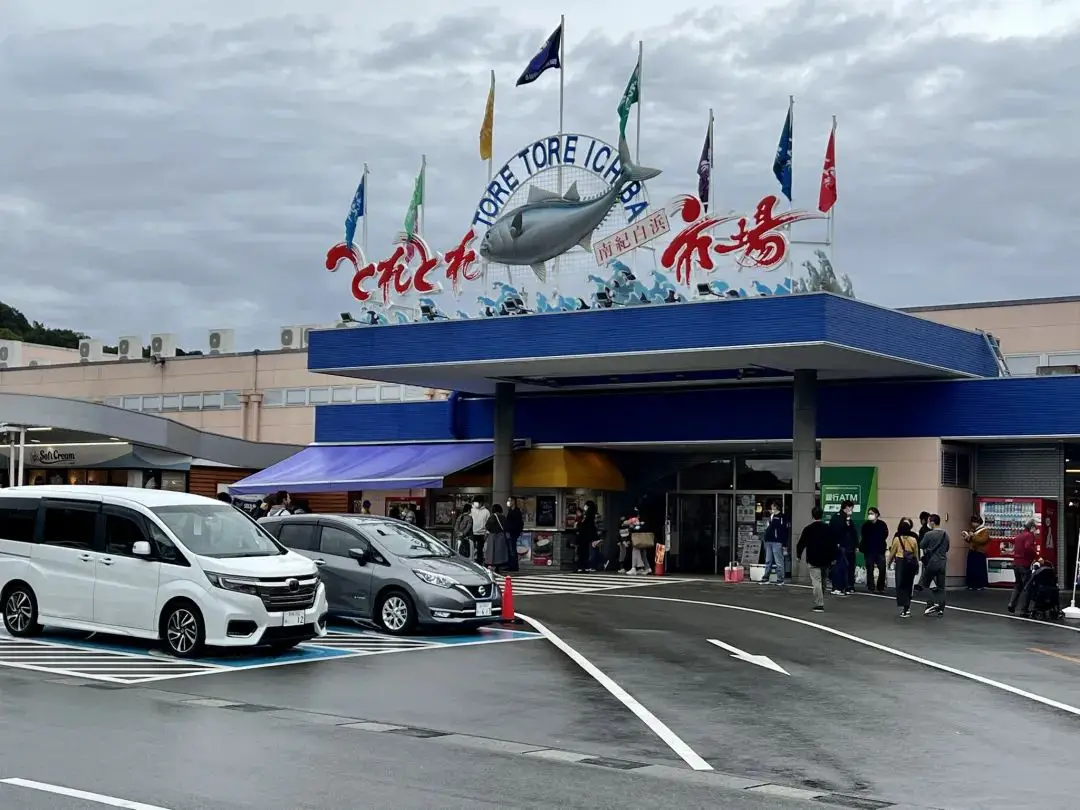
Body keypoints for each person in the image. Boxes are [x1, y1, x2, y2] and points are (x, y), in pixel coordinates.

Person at [796, 507, 834, 612]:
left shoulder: (808, 529)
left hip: (812, 558)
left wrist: (798, 555)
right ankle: (820, 597)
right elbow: (833, 545)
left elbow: (801, 544)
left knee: (816, 581)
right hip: (826, 559)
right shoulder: (828, 528)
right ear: (822, 515)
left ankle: (819, 603)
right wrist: (833, 558)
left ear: (812, 515)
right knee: (823, 580)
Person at [888, 517, 921, 618]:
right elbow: (916, 554)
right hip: (911, 563)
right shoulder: (914, 539)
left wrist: (888, 563)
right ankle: (908, 607)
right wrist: (917, 566)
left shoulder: (897, 539)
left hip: (900, 562)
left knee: (900, 585)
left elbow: (892, 553)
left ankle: (904, 607)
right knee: (908, 584)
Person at [919, 513, 950, 617]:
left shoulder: (929, 534)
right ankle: (941, 609)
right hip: (942, 562)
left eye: (929, 522)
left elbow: (921, 545)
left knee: (925, 584)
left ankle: (931, 604)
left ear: (932, 522)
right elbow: (947, 548)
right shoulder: (946, 535)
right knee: (941, 587)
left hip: (932, 562)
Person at [1007, 519, 1039, 615]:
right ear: (1032, 527)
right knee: (1027, 587)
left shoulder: (1019, 536)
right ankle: (1024, 609)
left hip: (1016, 563)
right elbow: (1028, 547)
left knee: (1018, 585)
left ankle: (1011, 604)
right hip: (1024, 564)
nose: (1036, 530)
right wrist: (1037, 556)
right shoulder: (1029, 535)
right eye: (1035, 528)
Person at [829, 501, 858, 594]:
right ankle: (839, 587)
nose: (852, 510)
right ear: (847, 507)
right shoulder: (841, 518)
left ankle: (843, 586)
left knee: (844, 567)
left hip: (843, 546)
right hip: (842, 546)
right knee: (842, 567)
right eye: (851, 508)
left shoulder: (841, 518)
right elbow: (845, 532)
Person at [860, 507, 889, 593]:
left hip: (880, 550)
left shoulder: (882, 524)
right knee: (869, 568)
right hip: (869, 550)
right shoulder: (866, 525)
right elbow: (863, 536)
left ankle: (880, 587)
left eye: (871, 513)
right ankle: (871, 587)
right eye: (869, 513)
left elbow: (885, 534)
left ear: (876, 514)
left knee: (882, 568)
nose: (870, 515)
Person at [760, 501, 787, 585]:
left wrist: (784, 543)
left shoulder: (781, 517)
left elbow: (784, 530)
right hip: (768, 540)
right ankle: (766, 578)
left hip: (777, 541)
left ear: (776, 507)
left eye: (772, 507)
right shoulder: (771, 516)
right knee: (768, 560)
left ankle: (780, 579)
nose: (771, 508)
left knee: (778, 561)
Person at [962, 514, 990, 590]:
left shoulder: (984, 530)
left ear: (978, 522)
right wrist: (966, 537)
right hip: (972, 551)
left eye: (973, 522)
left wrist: (972, 536)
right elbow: (970, 541)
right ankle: (971, 584)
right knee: (971, 569)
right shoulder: (972, 530)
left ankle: (979, 585)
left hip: (979, 552)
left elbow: (982, 540)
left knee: (978, 570)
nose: (972, 524)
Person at [575, 501, 599, 573]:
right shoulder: (590, 515)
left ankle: (582, 566)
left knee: (583, 552)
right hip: (587, 536)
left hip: (584, 536)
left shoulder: (588, 516)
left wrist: (578, 526)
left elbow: (585, 526)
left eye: (585, 505)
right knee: (586, 552)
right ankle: (585, 566)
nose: (584, 507)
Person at [485, 504, 510, 572]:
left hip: (493, 536)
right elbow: (506, 526)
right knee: (500, 552)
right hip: (501, 536)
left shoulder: (492, 517)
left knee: (492, 552)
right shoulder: (503, 517)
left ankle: (493, 565)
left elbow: (487, 526)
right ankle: (499, 566)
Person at [469, 498, 490, 565]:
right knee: (471, 549)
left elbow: (488, 523)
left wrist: (487, 533)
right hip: (472, 533)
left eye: (477, 502)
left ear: (481, 503)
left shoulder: (486, 512)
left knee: (480, 550)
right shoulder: (471, 510)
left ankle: (479, 562)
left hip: (482, 533)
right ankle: (471, 562)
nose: (475, 503)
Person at [505, 497, 523, 573]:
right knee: (510, 550)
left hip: (513, 533)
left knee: (513, 550)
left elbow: (519, 523)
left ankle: (514, 566)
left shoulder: (517, 511)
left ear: (513, 501)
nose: (508, 502)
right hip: (509, 532)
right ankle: (510, 565)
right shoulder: (509, 511)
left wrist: (517, 532)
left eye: (509, 500)